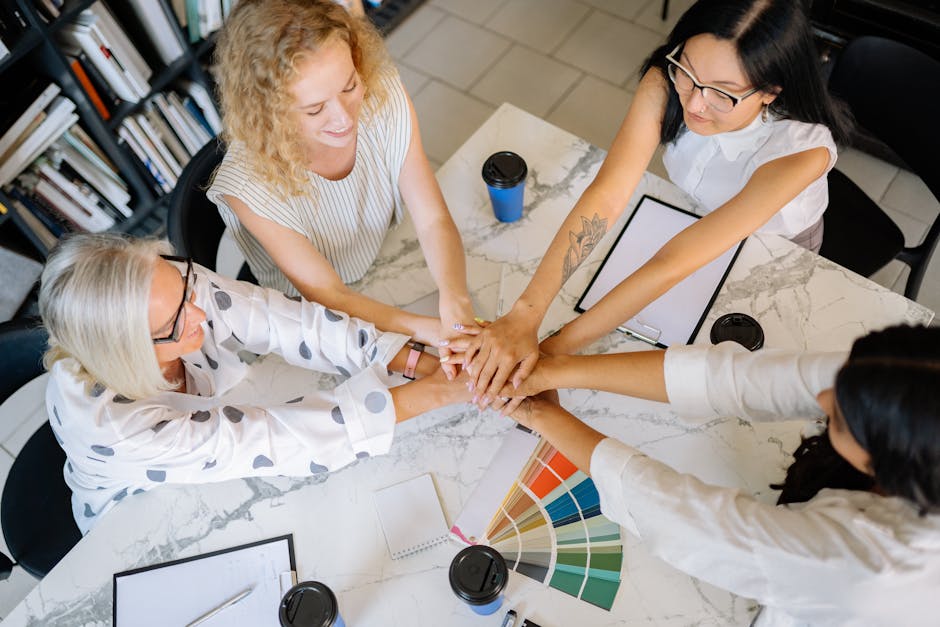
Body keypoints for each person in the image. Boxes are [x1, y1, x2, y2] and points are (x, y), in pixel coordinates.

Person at [461, 0, 853, 406]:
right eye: (689, 73)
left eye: (722, 94)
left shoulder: (800, 152)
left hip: (771, 250)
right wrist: (525, 314)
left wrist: (552, 351)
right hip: (688, 216)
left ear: (770, 92)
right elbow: (607, 195)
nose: (694, 104)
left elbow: (673, 262)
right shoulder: (666, 80)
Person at [496, 325, 940, 626]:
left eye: (840, 418)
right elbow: (738, 380)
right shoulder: (918, 396)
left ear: (888, 464)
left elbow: (688, 520)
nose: (822, 400)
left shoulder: (870, 569)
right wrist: (553, 372)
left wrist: (540, 414)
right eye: (841, 377)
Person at [39, 233, 470, 533]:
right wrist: (440, 391)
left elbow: (287, 322)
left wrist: (418, 362)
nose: (198, 313)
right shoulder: (111, 425)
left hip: (215, 452)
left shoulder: (166, 284)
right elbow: (272, 439)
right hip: (141, 524)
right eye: (176, 322)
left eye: (186, 293)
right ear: (128, 350)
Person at [207, 0, 479, 378]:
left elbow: (432, 218)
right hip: (315, 316)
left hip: (384, 253)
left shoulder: (381, 92)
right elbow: (331, 297)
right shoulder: (248, 185)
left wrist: (455, 299)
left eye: (349, 85)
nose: (344, 118)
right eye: (315, 109)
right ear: (269, 111)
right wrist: (431, 330)